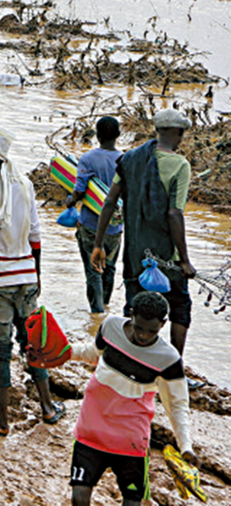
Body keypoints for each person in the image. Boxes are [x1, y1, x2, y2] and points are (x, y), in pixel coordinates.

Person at [0, 128, 61, 436]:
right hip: (26, 276)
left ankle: (2, 420)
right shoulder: (25, 184)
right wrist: (37, 273)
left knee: (0, 351)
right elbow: (35, 237)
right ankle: (47, 407)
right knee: (32, 345)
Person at [69, 291, 196, 506]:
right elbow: (94, 353)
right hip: (91, 429)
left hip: (131, 440)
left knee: (132, 501)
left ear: (163, 324)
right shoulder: (110, 326)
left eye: (151, 331)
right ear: (131, 314)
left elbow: (177, 405)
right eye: (139, 328)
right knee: (79, 497)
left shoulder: (168, 359)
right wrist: (63, 353)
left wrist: (186, 447)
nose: (144, 336)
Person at [94, 108, 197, 354]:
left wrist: (98, 245)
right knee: (179, 307)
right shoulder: (180, 165)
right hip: (166, 256)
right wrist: (184, 260)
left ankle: (124, 358)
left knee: (134, 307)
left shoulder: (130, 159)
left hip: (135, 253)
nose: (182, 136)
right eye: (181, 132)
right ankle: (173, 365)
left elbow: (109, 202)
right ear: (176, 132)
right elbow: (174, 214)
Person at [68, 117, 124, 315]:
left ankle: (97, 313)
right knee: (109, 268)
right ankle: (106, 308)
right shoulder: (124, 159)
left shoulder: (88, 159)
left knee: (93, 271)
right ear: (118, 135)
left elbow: (80, 191)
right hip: (116, 227)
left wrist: (70, 201)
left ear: (97, 136)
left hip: (91, 224)